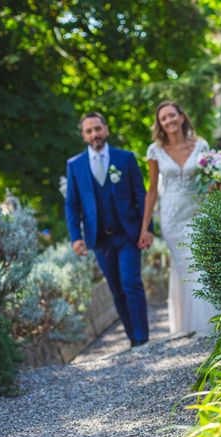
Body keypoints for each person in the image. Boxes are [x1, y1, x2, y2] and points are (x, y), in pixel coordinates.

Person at [65, 112, 151, 347]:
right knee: (117, 290)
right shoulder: (75, 165)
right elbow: (72, 205)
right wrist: (76, 238)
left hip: (128, 234)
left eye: (97, 129)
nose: (95, 134)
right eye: (89, 131)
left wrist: (147, 229)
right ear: (84, 136)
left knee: (131, 283)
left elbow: (141, 196)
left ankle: (142, 340)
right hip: (100, 239)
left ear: (106, 130)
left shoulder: (126, 158)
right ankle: (133, 336)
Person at [138, 101, 219, 335]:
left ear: (181, 117)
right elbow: (152, 190)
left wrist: (220, 183)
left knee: (201, 265)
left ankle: (209, 325)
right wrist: (146, 228)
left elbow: (210, 182)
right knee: (186, 267)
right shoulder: (155, 151)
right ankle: (193, 326)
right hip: (172, 217)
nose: (169, 121)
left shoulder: (201, 145)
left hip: (199, 211)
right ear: (160, 124)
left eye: (172, 115)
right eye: (164, 118)